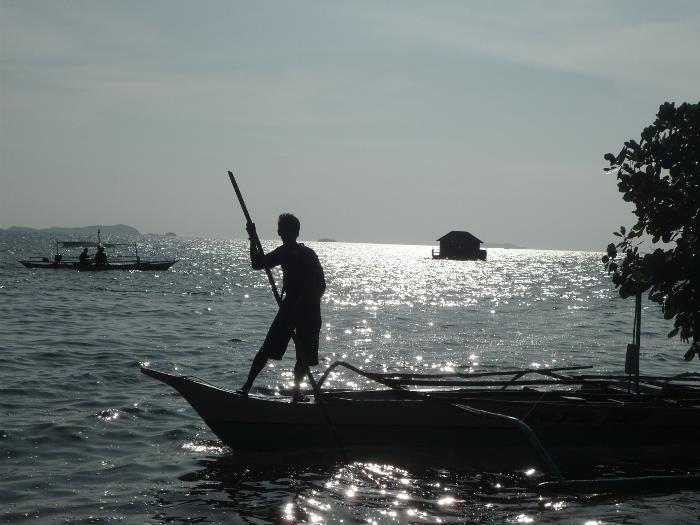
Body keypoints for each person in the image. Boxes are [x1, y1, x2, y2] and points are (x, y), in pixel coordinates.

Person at [240, 213, 326, 402]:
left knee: (302, 355)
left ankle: (295, 393)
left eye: (281, 229)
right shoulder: (285, 252)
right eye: (280, 229)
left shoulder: (304, 254)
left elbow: (321, 285)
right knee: (269, 348)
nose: (279, 232)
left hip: (307, 310)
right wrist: (253, 240)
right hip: (293, 307)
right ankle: (247, 387)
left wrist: (304, 300)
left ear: (290, 232)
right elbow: (257, 264)